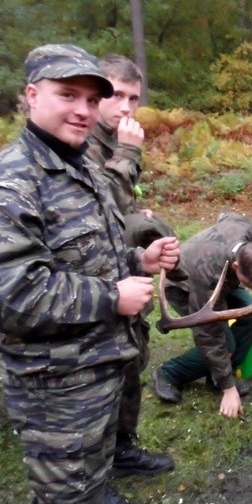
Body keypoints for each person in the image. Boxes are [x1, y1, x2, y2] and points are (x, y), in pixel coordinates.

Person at [0, 44, 180, 504]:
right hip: (56, 391)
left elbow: (89, 256)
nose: (83, 110)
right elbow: (9, 298)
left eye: (90, 98)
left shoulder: (81, 168)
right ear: (32, 96)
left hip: (99, 372)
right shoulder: (7, 184)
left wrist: (137, 263)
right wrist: (111, 296)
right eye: (68, 96)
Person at [85, 54, 175, 480]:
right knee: (99, 381)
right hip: (92, 284)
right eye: (115, 94)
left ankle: (123, 451)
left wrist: (138, 215)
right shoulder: (81, 141)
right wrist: (128, 153)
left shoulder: (111, 142)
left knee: (130, 366)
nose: (125, 107)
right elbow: (94, 205)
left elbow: (117, 207)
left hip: (124, 268)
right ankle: (95, 474)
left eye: (133, 98)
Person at [151, 212, 252, 418]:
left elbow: (225, 216)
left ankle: (216, 376)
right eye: (248, 284)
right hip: (187, 286)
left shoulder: (249, 229)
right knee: (224, 343)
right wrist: (229, 388)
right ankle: (169, 373)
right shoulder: (207, 274)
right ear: (236, 266)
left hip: (224, 280)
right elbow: (208, 335)